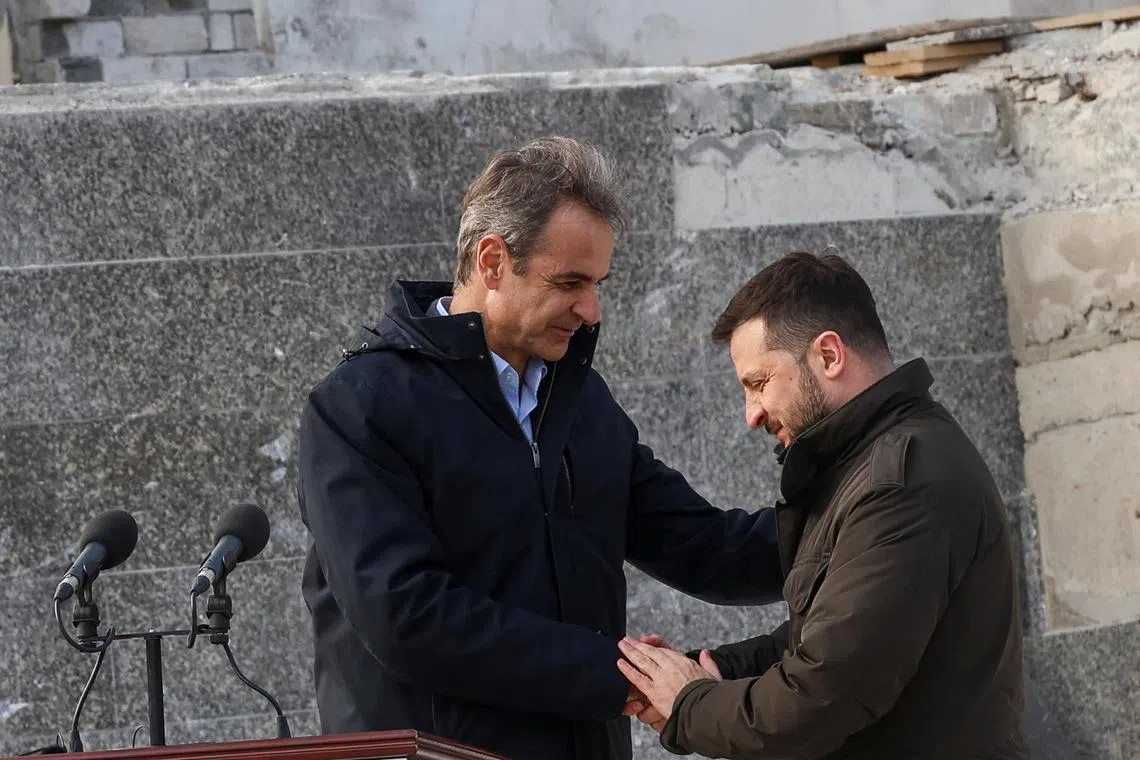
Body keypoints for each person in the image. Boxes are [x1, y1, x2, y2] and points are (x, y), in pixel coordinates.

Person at [296, 136, 784, 760]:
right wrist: (615, 672)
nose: (592, 309)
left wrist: (855, 522)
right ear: (493, 261)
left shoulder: (581, 402)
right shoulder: (361, 406)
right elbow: (408, 617)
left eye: (599, 282)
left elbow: (706, 547)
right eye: (570, 282)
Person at [618, 251, 1027, 759]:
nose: (752, 414)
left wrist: (690, 704)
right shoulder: (871, 466)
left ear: (829, 355)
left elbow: (822, 695)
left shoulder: (902, 482)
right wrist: (711, 671)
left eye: (759, 383)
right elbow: (822, 638)